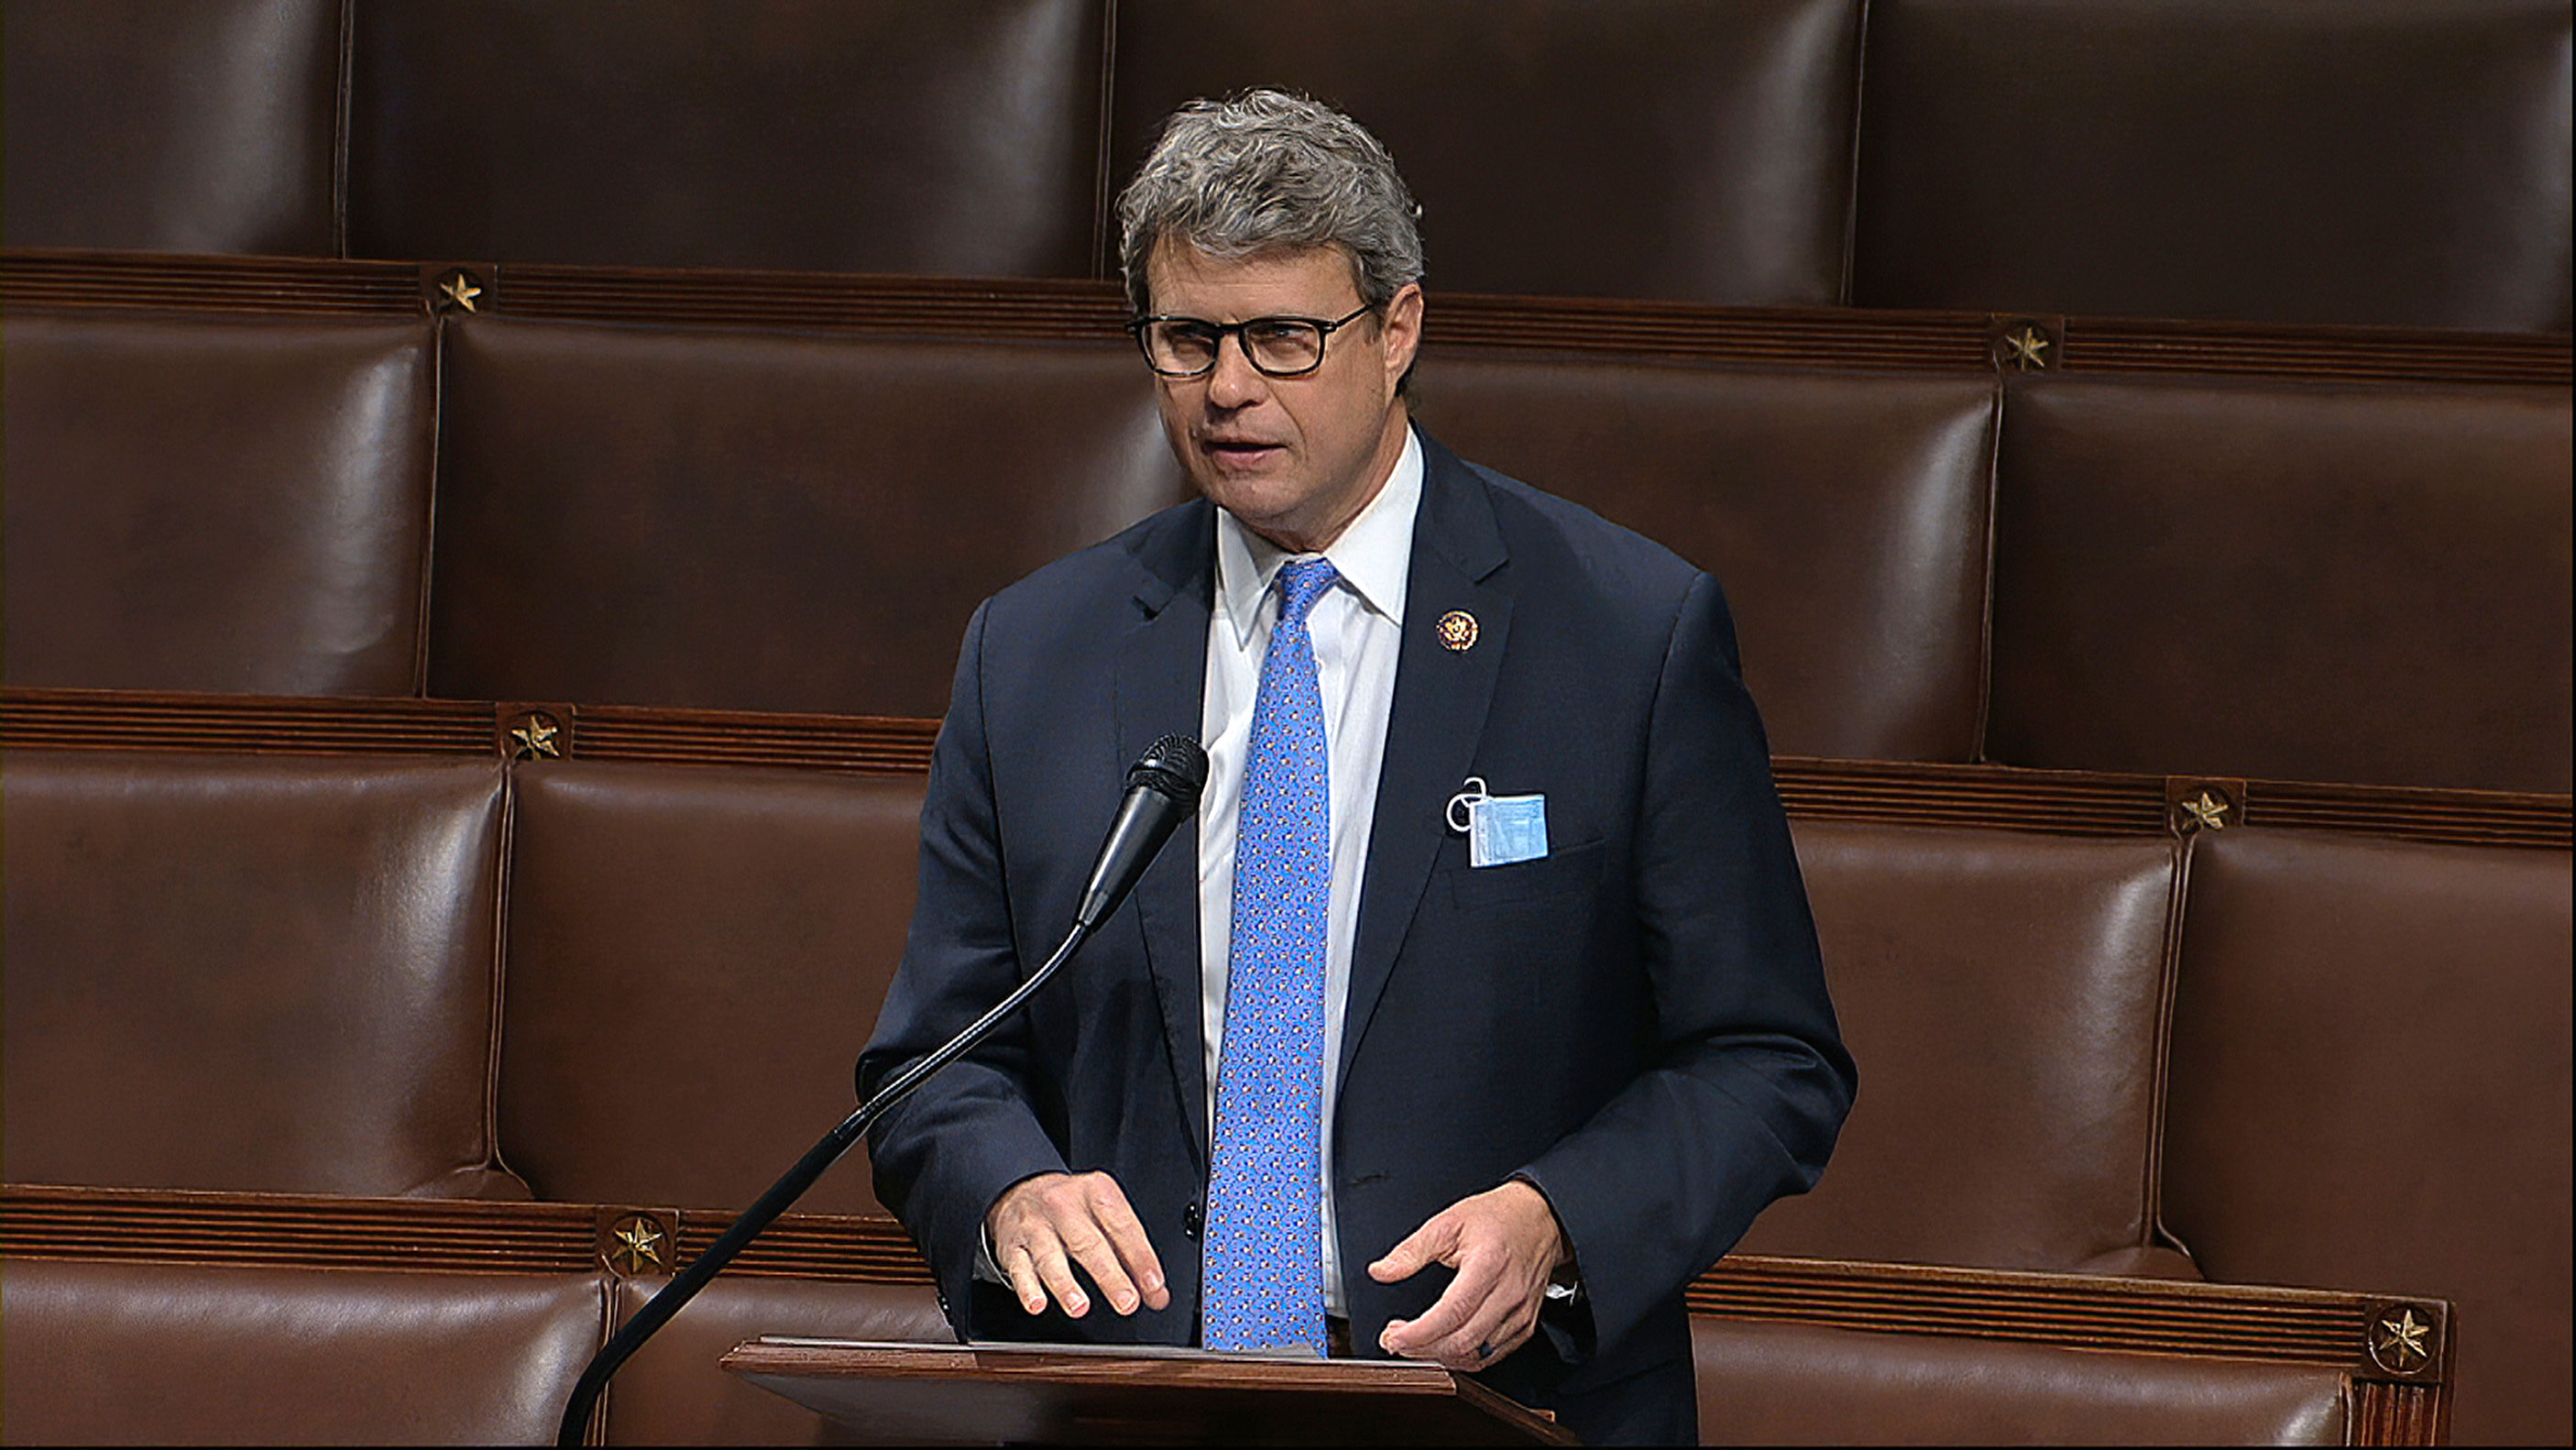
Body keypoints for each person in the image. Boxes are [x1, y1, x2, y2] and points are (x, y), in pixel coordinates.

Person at [859, 89, 1853, 1445]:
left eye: (1282, 336)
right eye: (1188, 337)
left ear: (1397, 330)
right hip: (1134, 1396)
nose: (1227, 388)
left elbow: (1768, 1054)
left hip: (1492, 1399)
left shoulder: (1624, 634)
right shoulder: (1033, 654)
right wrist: (1004, 1191)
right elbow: (936, 1058)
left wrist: (1561, 1219)